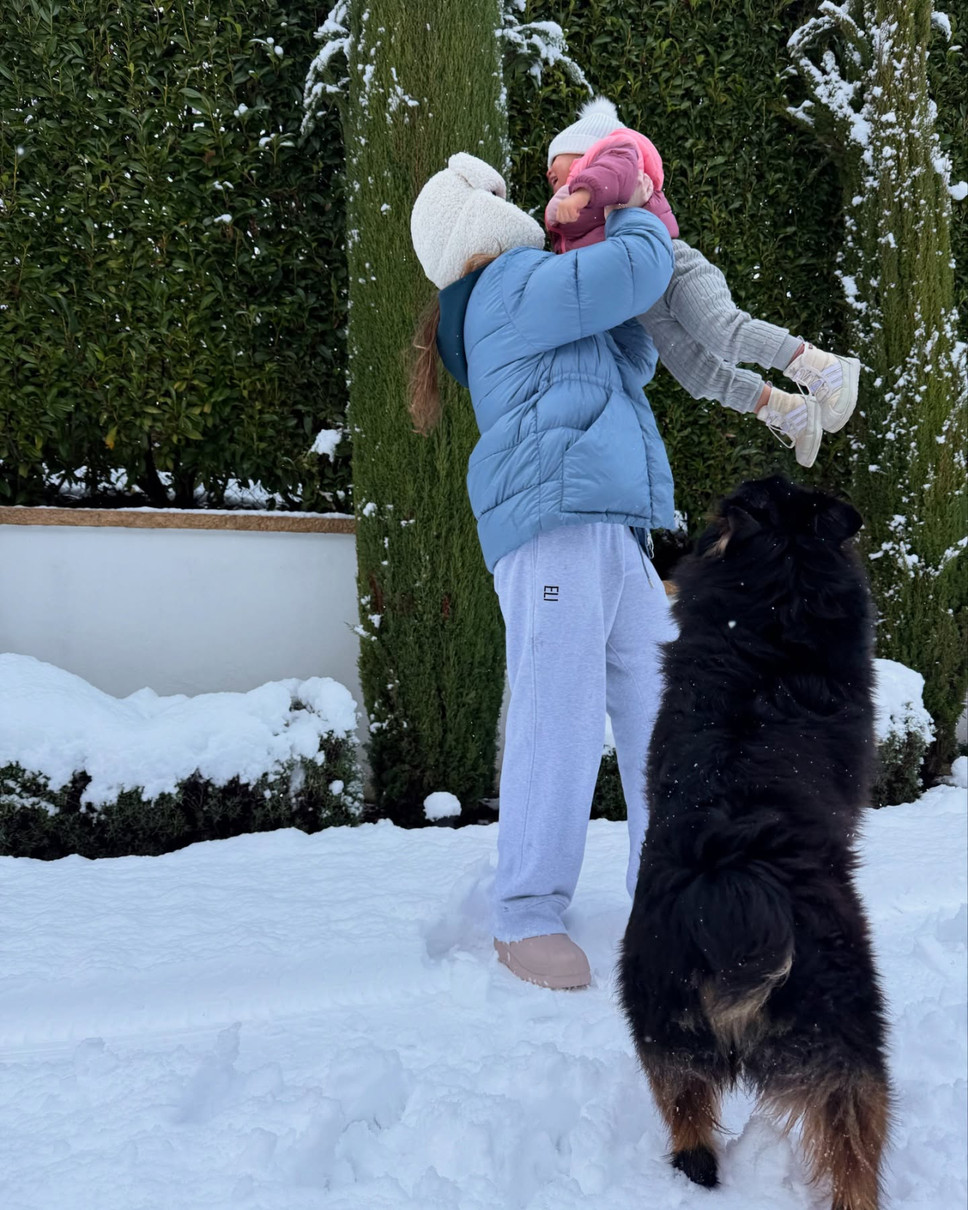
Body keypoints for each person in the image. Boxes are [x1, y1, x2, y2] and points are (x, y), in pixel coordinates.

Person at [409, 153, 677, 990]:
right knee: (556, 713)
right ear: (478, 222)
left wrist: (606, 237)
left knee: (669, 705)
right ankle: (524, 914)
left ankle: (672, 892)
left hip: (610, 523)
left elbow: (632, 354)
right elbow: (638, 267)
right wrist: (629, 201)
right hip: (556, 524)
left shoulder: (532, 289)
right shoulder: (510, 286)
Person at [544, 98, 860, 469]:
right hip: (646, 302)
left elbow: (615, 173)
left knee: (721, 331)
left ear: (583, 149)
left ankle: (820, 365)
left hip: (673, 266)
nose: (549, 173)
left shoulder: (614, 157)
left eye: (555, 162)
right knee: (696, 375)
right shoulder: (568, 220)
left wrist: (580, 192)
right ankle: (786, 409)